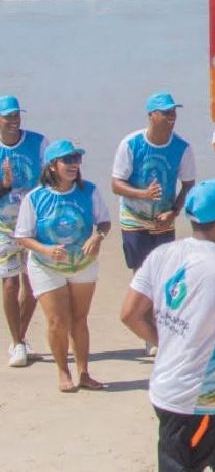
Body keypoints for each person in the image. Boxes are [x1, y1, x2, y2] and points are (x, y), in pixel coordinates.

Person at [120, 179, 215, 472]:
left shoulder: (163, 254)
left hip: (186, 392)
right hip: (192, 402)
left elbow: (130, 314)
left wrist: (171, 342)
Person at [13, 140, 109, 392]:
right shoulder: (35, 198)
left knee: (80, 319)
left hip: (83, 264)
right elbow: (22, 236)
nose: (74, 165)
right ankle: (63, 372)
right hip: (46, 266)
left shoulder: (89, 190)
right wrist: (46, 249)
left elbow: (105, 222)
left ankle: (84, 372)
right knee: (57, 321)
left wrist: (97, 237)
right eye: (67, 160)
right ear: (52, 166)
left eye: (76, 159)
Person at [111, 92, 197, 277]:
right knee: (141, 273)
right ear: (151, 115)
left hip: (164, 218)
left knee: (164, 273)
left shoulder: (183, 147)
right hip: (133, 217)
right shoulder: (130, 144)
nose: (172, 116)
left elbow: (188, 184)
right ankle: (143, 307)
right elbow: (116, 185)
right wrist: (144, 194)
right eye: (166, 112)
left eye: (174, 111)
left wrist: (173, 212)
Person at [0, 94, 44, 368]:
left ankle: (20, 338)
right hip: (3, 226)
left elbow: (51, 177)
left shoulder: (38, 142)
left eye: (17, 115)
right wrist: (4, 185)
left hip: (35, 225)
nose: (15, 120)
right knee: (10, 282)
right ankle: (17, 342)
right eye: (9, 116)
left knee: (32, 284)